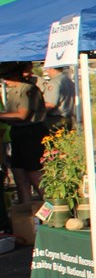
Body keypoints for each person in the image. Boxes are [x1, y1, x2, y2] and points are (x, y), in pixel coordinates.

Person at [0, 61, 48, 204]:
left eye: (6, 76)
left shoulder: (28, 89)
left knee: (34, 173)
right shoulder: (13, 90)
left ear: (16, 74)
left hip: (31, 133)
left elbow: (22, 115)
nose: (5, 80)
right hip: (18, 132)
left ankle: (51, 206)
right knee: (19, 175)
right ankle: (25, 213)